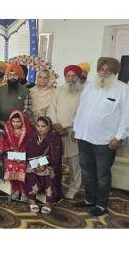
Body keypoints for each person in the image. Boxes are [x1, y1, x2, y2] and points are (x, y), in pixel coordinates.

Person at [73, 57, 129, 216]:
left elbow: (126, 116)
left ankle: (101, 204)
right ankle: (89, 199)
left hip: (105, 141)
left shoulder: (122, 89)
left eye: (108, 70)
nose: (104, 72)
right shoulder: (90, 86)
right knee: (87, 171)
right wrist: (76, 128)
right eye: (102, 69)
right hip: (84, 137)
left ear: (115, 72)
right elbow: (81, 109)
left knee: (102, 175)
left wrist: (119, 137)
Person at [48, 65, 84, 199]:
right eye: (68, 76)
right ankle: (54, 187)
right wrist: (55, 123)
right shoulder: (59, 90)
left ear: (78, 77)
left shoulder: (83, 92)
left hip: (72, 131)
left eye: (73, 76)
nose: (70, 78)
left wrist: (72, 127)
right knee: (55, 160)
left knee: (74, 163)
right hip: (56, 130)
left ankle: (74, 188)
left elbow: (82, 112)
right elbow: (52, 107)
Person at [25, 116, 63, 214]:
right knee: (30, 170)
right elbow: (29, 153)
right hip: (34, 162)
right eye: (38, 126)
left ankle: (49, 202)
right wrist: (35, 164)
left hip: (50, 163)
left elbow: (56, 156)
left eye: (43, 126)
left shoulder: (55, 137)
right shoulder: (32, 136)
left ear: (49, 127)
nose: (40, 128)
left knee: (49, 173)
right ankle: (32, 199)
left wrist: (43, 165)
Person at [2, 110, 33, 201]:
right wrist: (11, 151)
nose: (16, 124)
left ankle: (23, 191)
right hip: (11, 154)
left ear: (22, 121)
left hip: (25, 155)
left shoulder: (28, 131)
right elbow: (5, 143)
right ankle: (16, 190)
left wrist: (22, 154)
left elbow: (30, 145)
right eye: (13, 121)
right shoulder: (8, 130)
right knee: (10, 164)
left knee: (22, 166)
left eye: (18, 121)